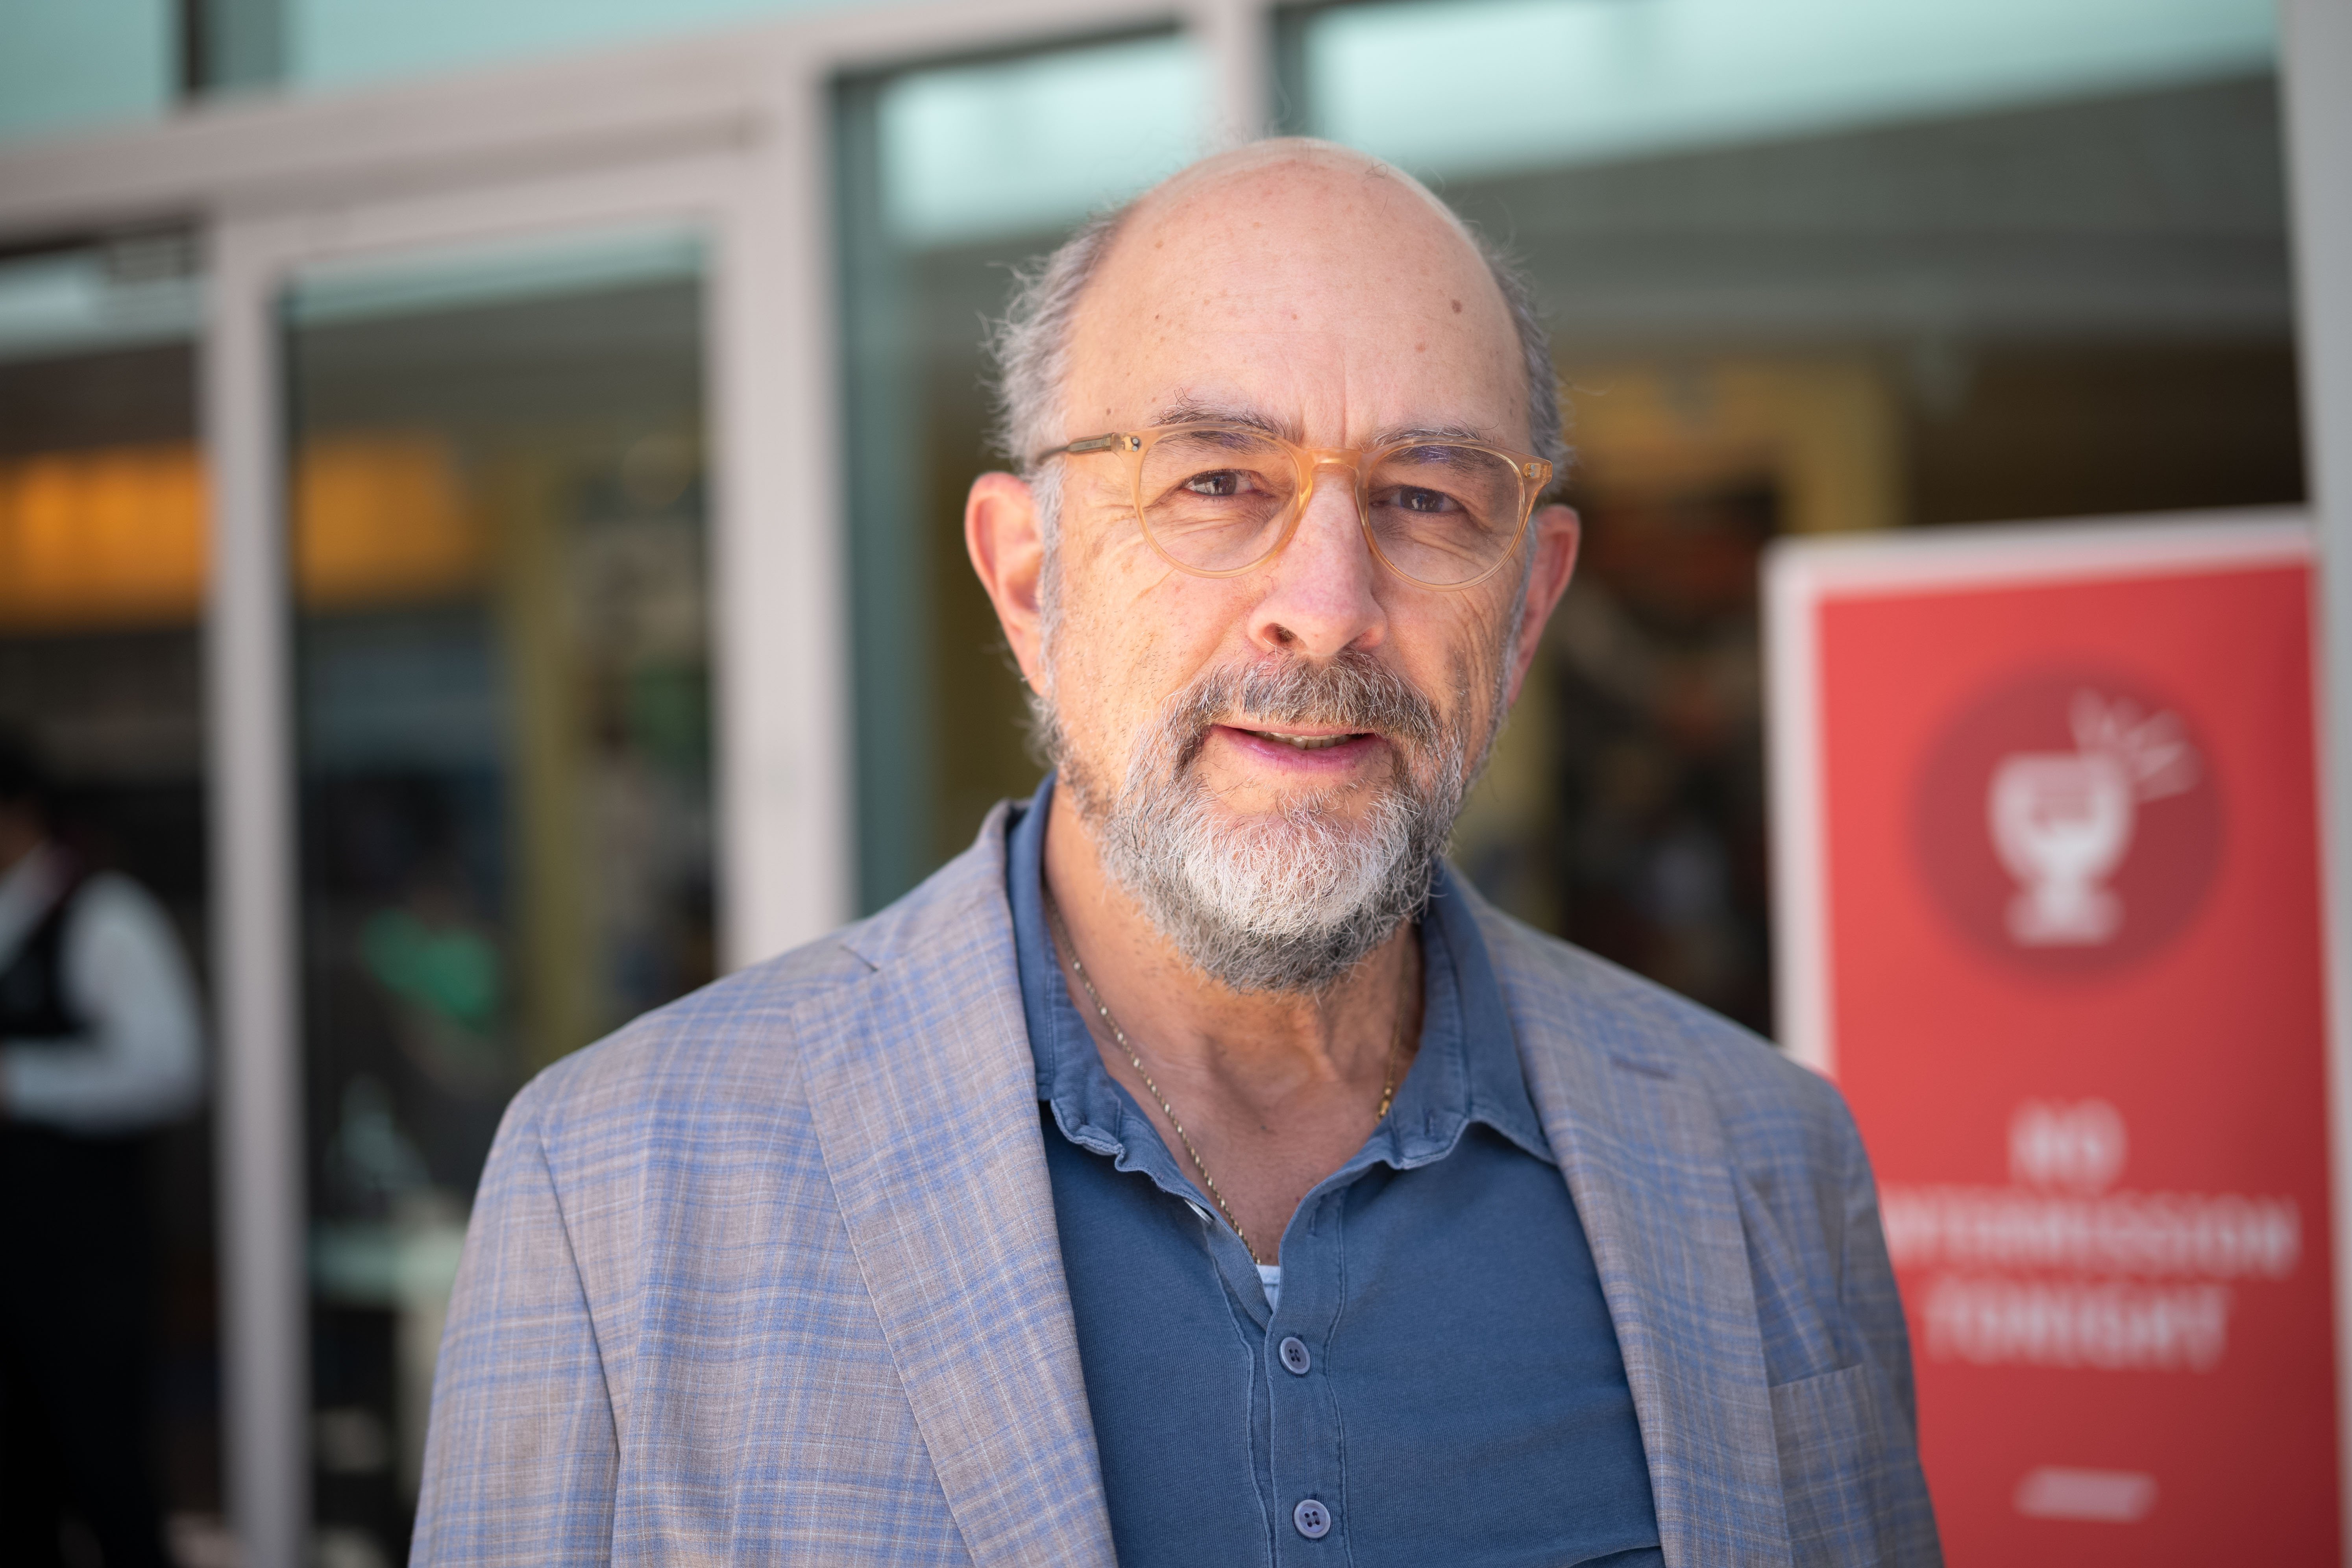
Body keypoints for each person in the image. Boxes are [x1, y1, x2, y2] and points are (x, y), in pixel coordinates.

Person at [416, 141, 1938, 1566]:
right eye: (1217, 481)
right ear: (1029, 578)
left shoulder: (1763, 1167)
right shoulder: (617, 1192)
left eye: (1424, 498)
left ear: (1528, 604)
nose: (1327, 603)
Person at [0, 728, 205, 1568]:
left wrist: (19, 1083)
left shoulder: (105, 914)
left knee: (107, 1479)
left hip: (82, 1269)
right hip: (9, 1270)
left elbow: (172, 1067)